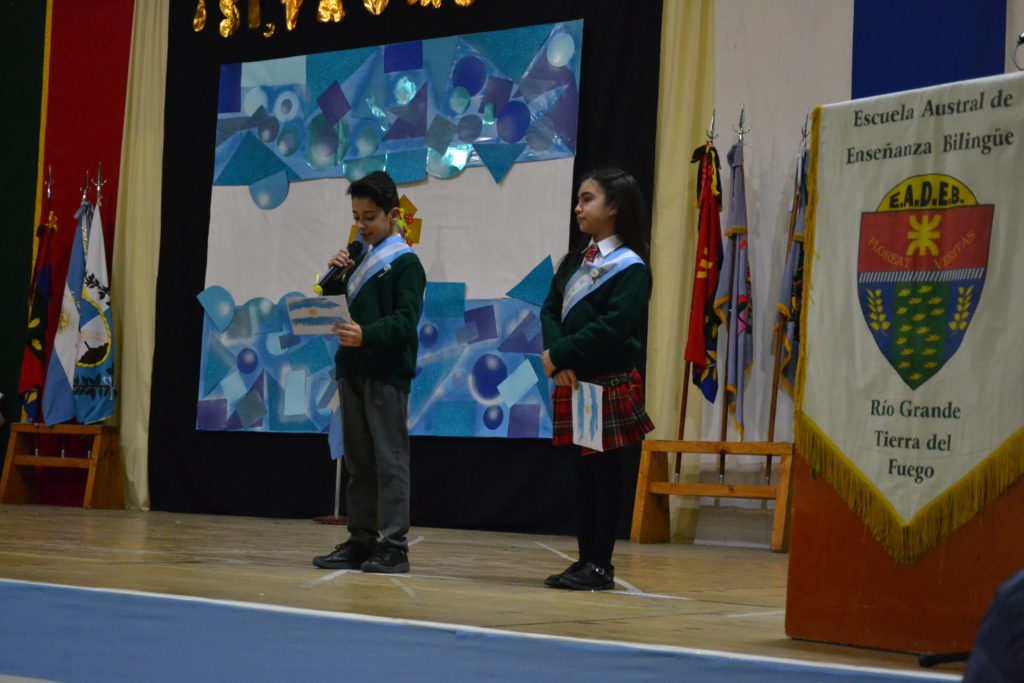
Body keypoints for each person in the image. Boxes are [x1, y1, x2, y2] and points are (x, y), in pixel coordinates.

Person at [540, 167, 654, 591]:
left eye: (587, 199)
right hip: (575, 381)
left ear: (614, 207)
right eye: (578, 199)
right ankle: (585, 559)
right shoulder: (575, 261)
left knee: (607, 477)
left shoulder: (630, 268)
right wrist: (558, 358)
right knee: (581, 478)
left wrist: (559, 353)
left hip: (608, 383)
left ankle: (602, 565)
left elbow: (612, 327)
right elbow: (550, 310)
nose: (578, 207)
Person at [312, 171, 426, 574]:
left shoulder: (406, 263)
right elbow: (341, 311)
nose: (362, 225)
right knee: (359, 460)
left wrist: (369, 334)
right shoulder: (356, 258)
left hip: (386, 371)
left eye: (371, 217)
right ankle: (361, 538)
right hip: (352, 369)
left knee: (390, 459)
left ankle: (394, 545)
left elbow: (404, 322)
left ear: (393, 215)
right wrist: (332, 283)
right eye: (357, 216)